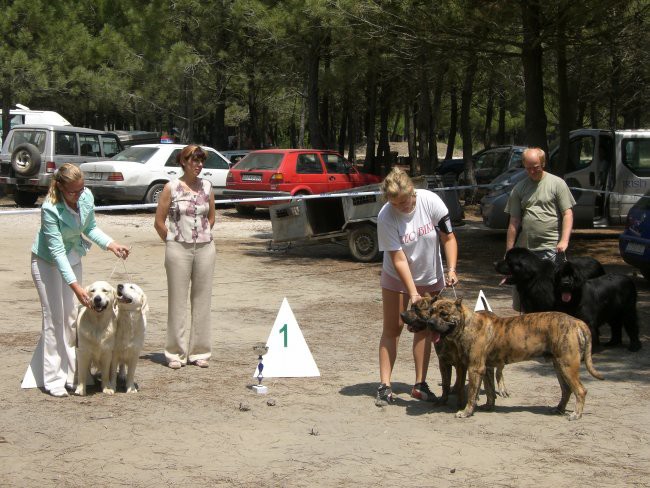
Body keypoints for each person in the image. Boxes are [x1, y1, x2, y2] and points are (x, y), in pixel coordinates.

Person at [28, 163, 130, 397]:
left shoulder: (86, 197)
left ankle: (73, 374)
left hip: (73, 256)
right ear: (60, 187)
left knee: (72, 318)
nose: (78, 195)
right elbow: (56, 252)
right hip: (46, 261)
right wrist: (75, 287)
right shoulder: (50, 208)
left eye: (81, 189)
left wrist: (111, 244)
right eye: (73, 191)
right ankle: (53, 378)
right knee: (54, 318)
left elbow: (90, 227)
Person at [375, 167, 459, 406]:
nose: (400, 207)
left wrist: (451, 269)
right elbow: (398, 258)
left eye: (404, 201)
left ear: (413, 192)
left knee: (425, 329)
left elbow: (448, 237)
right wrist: (412, 292)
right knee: (393, 328)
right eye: (394, 203)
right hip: (396, 278)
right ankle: (384, 386)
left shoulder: (430, 201)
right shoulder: (385, 216)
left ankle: (420, 384)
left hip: (430, 275)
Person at [155, 144, 216, 370]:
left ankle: (199, 352)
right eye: (194, 161)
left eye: (201, 161)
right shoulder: (171, 187)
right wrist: (172, 241)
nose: (199, 165)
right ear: (183, 162)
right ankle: (175, 353)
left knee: (202, 301)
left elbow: (211, 217)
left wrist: (203, 235)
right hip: (177, 249)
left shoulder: (208, 187)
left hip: (205, 249)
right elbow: (159, 222)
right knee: (177, 301)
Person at [505, 147, 576, 310]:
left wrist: (564, 240)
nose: (532, 171)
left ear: (543, 163)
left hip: (551, 249)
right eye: (528, 167)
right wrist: (509, 251)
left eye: (535, 167)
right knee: (524, 297)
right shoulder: (519, 188)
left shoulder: (557, 184)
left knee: (551, 296)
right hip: (526, 251)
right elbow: (514, 221)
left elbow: (567, 214)